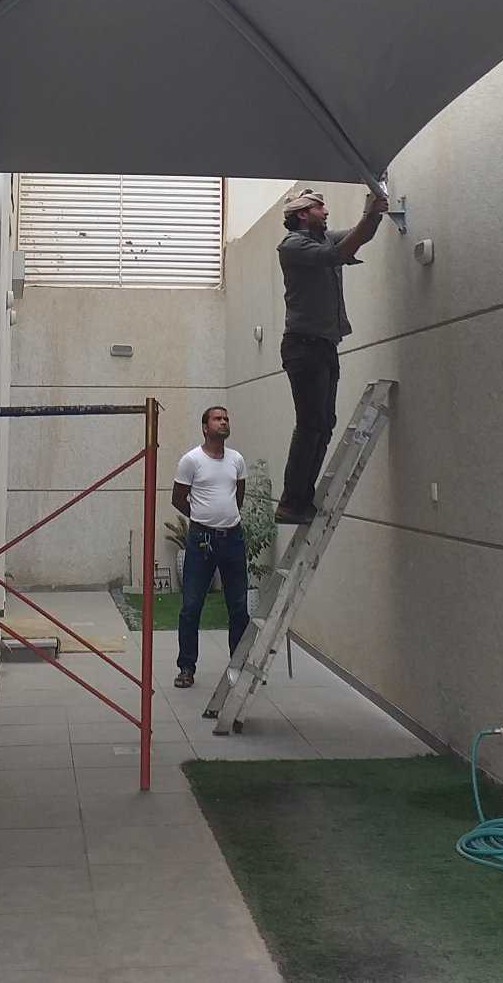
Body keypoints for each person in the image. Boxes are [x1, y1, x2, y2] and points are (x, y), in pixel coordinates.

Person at [274, 185, 389, 524]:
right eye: (320, 208)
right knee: (311, 423)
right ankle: (291, 502)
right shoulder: (293, 246)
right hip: (303, 346)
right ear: (302, 214)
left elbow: (358, 236)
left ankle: (301, 499)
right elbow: (337, 254)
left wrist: (374, 211)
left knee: (324, 424)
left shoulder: (323, 239)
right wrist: (370, 213)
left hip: (323, 345)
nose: (326, 212)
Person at [171, 405, 249, 689]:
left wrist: (225, 518)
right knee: (191, 606)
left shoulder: (237, 460)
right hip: (201, 540)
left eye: (226, 418)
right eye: (217, 419)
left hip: (233, 539)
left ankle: (239, 665)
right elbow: (178, 498)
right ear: (205, 427)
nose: (224, 422)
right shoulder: (191, 460)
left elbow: (238, 496)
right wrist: (202, 519)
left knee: (238, 605)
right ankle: (186, 667)